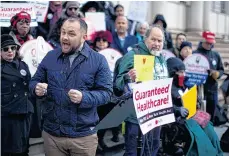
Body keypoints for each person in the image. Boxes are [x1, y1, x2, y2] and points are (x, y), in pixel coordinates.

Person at [29, 18, 113, 156]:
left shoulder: (98, 60)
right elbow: (34, 81)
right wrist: (36, 88)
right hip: (52, 136)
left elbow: (106, 93)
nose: (65, 37)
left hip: (83, 137)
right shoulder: (50, 56)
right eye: (63, 32)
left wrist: (84, 97)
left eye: (71, 34)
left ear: (84, 37)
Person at [114, 25, 168, 156]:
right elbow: (117, 84)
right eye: (153, 40)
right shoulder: (133, 55)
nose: (156, 44)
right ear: (145, 39)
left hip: (156, 114)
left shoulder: (161, 58)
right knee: (133, 152)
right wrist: (128, 77)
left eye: (160, 41)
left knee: (153, 149)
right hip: (134, 116)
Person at [162, 57, 223, 156]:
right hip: (177, 121)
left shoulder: (183, 85)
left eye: (184, 72)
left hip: (189, 116)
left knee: (208, 126)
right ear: (172, 72)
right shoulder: (165, 87)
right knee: (199, 134)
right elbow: (163, 106)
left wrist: (196, 102)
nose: (183, 75)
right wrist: (177, 109)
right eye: (180, 72)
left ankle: (217, 151)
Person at [1, 34, 34, 156]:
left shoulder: (22, 65)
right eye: (5, 49)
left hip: (25, 111)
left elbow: (30, 85)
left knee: (24, 147)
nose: (10, 51)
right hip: (8, 115)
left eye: (13, 48)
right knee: (12, 150)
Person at [193, 31, 224, 122]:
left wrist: (218, 74)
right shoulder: (195, 54)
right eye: (207, 43)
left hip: (212, 89)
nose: (209, 45)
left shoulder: (215, 55)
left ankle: (210, 130)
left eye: (211, 43)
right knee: (199, 116)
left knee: (211, 115)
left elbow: (221, 69)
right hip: (199, 90)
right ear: (202, 41)